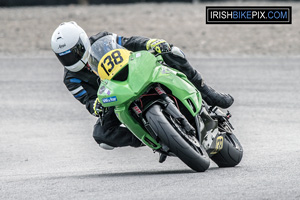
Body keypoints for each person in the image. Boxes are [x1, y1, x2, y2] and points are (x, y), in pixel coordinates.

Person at [51, 21, 234, 150]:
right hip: (115, 99)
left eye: (73, 52)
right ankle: (152, 138)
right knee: (101, 135)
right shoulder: (71, 79)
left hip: (136, 73)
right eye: (64, 57)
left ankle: (206, 92)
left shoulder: (103, 40)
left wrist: (150, 43)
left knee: (171, 51)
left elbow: (130, 43)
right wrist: (96, 106)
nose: (70, 59)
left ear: (82, 42)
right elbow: (89, 102)